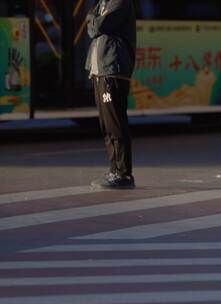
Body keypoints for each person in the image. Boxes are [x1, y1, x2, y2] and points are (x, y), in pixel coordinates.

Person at [86, 0, 136, 189]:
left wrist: (94, 20)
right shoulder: (102, 4)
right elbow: (91, 24)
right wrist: (93, 20)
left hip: (112, 69)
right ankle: (114, 170)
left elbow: (98, 24)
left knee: (115, 123)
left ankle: (123, 174)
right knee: (106, 124)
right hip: (100, 71)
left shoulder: (120, 2)